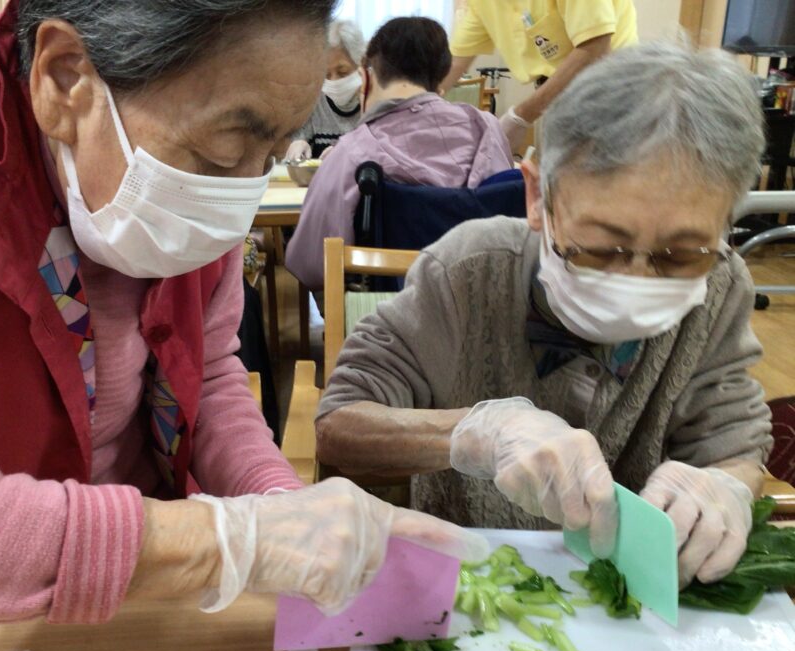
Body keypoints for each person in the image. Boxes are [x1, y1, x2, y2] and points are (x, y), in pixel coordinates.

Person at [0, 0, 486, 625]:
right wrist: (223, 543)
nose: (243, 190)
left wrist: (281, 510)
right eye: (222, 152)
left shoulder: (180, 175)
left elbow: (211, 383)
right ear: (66, 78)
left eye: (272, 154)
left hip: (137, 596)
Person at [315, 42, 773, 588]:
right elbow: (340, 427)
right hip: (468, 587)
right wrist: (477, 432)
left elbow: (734, 439)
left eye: (681, 255)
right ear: (537, 196)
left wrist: (727, 485)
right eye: (601, 248)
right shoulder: (467, 272)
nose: (637, 280)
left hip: (628, 598)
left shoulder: (720, 286)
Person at [286, 16, 512, 292]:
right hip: (479, 302)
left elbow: (309, 265)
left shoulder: (353, 151)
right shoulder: (487, 129)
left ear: (366, 75)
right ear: (441, 77)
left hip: (386, 313)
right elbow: (506, 225)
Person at [442, 0, 638, 154]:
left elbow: (595, 49)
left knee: (606, 188)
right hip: (556, 97)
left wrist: (519, 116)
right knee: (559, 187)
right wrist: (419, 102)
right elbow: (455, 63)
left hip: (612, 93)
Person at [285, 19, 367, 161]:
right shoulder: (314, 98)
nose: (333, 82)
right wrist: (297, 144)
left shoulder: (374, 101)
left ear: (362, 65)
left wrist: (349, 151)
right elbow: (297, 141)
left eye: (342, 72)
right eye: (326, 75)